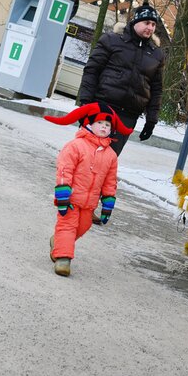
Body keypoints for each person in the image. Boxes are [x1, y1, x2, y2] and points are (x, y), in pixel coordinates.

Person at [44, 102, 132, 277]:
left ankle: (58, 242)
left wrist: (107, 203)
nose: (104, 127)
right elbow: (64, 170)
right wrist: (63, 194)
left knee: (83, 226)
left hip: (89, 203)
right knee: (68, 226)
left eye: (107, 125)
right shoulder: (75, 146)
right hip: (70, 198)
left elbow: (109, 181)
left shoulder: (111, 156)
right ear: (88, 124)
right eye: (99, 123)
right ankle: (63, 259)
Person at [79, 3, 165, 157]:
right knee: (87, 154)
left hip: (128, 116)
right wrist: (85, 103)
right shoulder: (111, 40)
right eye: (147, 23)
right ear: (136, 22)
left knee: (107, 160)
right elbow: (92, 71)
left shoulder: (156, 55)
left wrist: (151, 120)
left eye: (153, 24)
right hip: (102, 108)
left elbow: (156, 89)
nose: (150, 28)